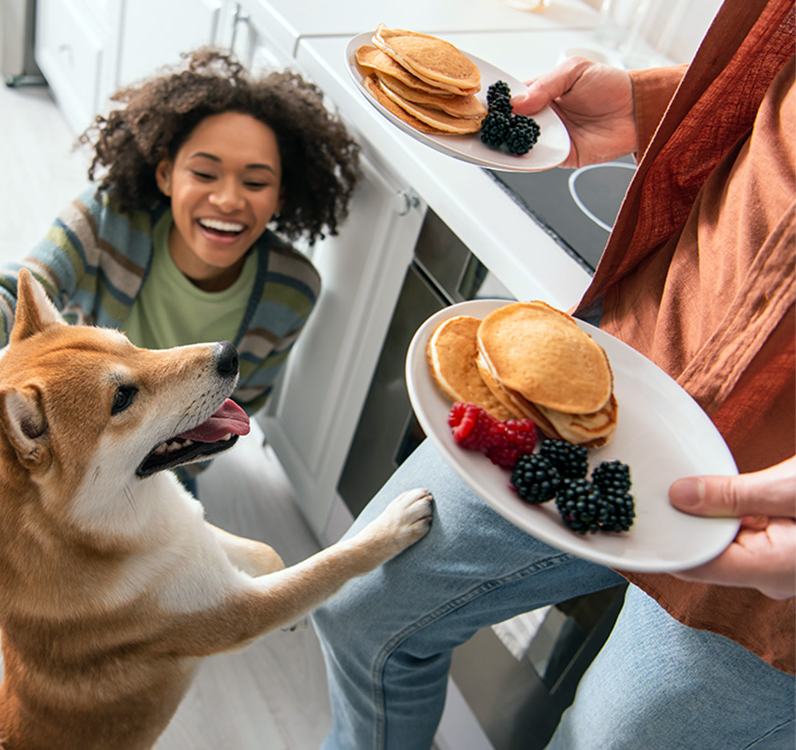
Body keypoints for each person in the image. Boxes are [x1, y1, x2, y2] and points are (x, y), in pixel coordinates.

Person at [311, 0, 795, 747]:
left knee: (600, 740)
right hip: (638, 360)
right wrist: (659, 104)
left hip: (782, 523)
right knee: (362, 603)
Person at [0, 48, 360, 595]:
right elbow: (28, 278)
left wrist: (176, 432)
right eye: (204, 172)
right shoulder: (110, 215)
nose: (229, 198)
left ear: (282, 194)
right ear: (165, 174)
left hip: (160, 443)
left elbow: (246, 399)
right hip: (73, 415)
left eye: (255, 182)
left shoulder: (293, 290)